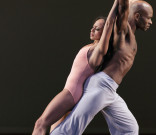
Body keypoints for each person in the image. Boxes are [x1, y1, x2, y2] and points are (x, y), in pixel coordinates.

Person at [50, 0, 153, 135]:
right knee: (72, 127)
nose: (150, 22)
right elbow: (122, 6)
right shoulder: (123, 31)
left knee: (129, 128)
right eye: (149, 18)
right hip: (101, 86)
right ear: (137, 16)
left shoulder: (130, 35)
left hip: (110, 89)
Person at [32, 0, 120, 134]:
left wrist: (117, 3)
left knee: (41, 123)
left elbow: (109, 24)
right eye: (93, 26)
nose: (92, 30)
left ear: (105, 33)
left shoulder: (98, 51)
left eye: (97, 29)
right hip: (71, 92)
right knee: (54, 130)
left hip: (71, 93)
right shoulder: (91, 46)